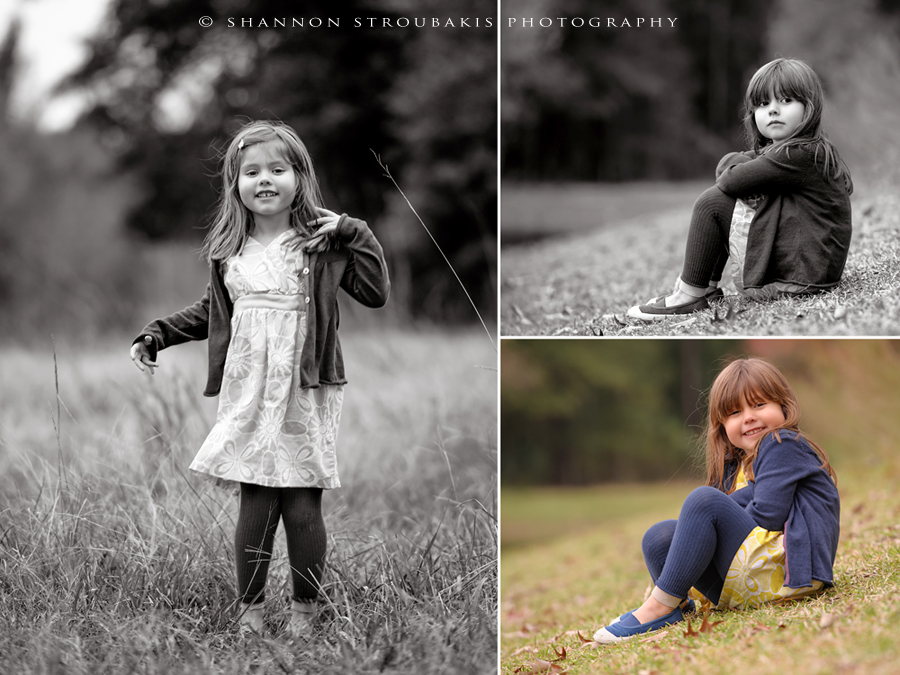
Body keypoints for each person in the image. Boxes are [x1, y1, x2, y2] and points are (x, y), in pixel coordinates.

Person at [129, 120, 390, 636]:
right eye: (252, 171)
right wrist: (157, 333)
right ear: (235, 184)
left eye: (277, 168)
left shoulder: (320, 242)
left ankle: (304, 612)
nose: (264, 179)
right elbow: (211, 313)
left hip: (304, 386)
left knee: (301, 494)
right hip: (247, 389)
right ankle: (248, 613)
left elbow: (376, 292)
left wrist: (353, 231)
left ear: (300, 176)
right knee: (255, 493)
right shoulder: (230, 250)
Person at [593, 358, 840, 643]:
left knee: (704, 501)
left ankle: (658, 606)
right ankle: (678, 604)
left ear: (784, 407)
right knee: (659, 537)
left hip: (787, 573)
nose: (748, 416)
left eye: (759, 405)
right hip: (747, 578)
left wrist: (722, 505)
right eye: (735, 412)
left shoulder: (782, 443)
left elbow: (767, 517)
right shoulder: (734, 465)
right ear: (722, 425)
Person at [627, 58, 853, 319]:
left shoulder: (800, 153)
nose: (773, 110)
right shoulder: (803, 151)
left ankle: (689, 296)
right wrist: (739, 164)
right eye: (763, 103)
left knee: (713, 202)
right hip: (812, 271)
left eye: (786, 101)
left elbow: (730, 180)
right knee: (729, 201)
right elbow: (737, 171)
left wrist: (734, 164)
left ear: (809, 107)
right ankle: (705, 288)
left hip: (801, 278)